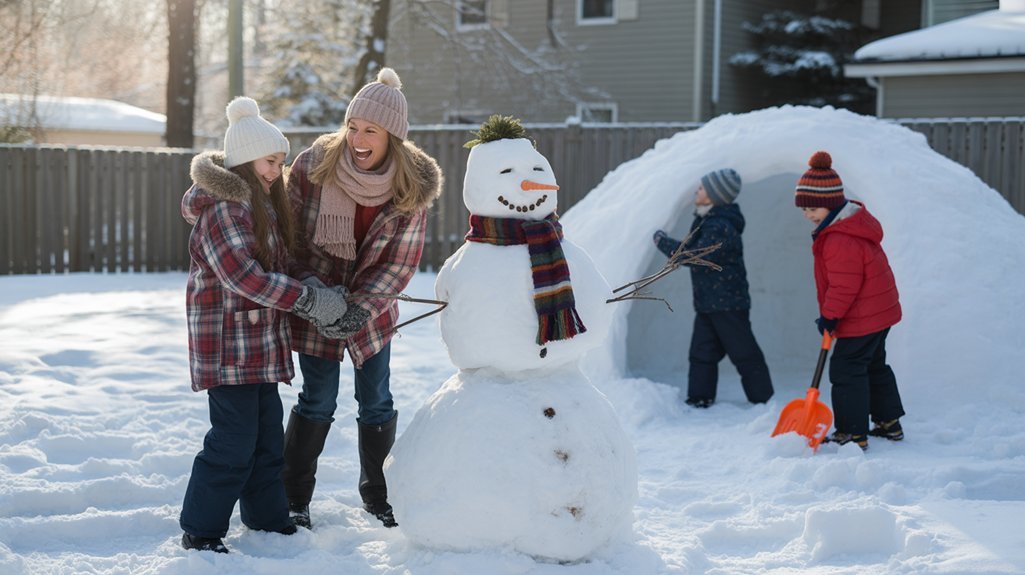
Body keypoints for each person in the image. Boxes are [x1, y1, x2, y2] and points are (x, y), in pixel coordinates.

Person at [179, 97, 349, 553]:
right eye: (270, 161)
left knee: (267, 441)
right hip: (227, 348)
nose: (278, 170)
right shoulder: (223, 210)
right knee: (233, 443)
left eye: (280, 161)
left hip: (259, 347)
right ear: (245, 158)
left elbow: (280, 264)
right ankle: (201, 529)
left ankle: (268, 519)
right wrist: (307, 300)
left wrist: (316, 286)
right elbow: (245, 277)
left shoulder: (259, 206)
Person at [283, 67, 442, 529]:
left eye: (370, 130)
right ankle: (292, 496)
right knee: (318, 398)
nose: (357, 138)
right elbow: (289, 240)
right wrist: (316, 296)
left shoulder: (411, 185)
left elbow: (400, 264)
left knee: (376, 400)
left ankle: (378, 494)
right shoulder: (314, 166)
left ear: (392, 135)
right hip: (316, 302)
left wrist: (360, 309)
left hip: (372, 310)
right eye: (352, 126)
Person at [795, 150, 906, 450]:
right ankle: (889, 423)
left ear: (831, 204)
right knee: (873, 366)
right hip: (879, 312)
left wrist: (830, 316)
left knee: (846, 370)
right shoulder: (851, 226)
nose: (807, 215)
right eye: (803, 209)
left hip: (862, 316)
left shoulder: (839, 238)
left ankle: (852, 432)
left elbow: (844, 286)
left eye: (812, 208)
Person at [652, 168, 773, 408]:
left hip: (728, 303)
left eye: (702, 188)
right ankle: (700, 398)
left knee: (743, 352)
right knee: (702, 352)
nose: (697, 190)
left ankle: (763, 399)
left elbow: (695, 256)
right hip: (709, 302)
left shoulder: (720, 226)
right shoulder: (707, 220)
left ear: (714, 196)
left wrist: (662, 241)